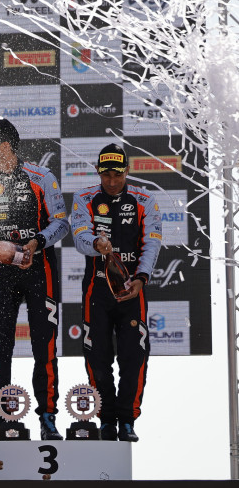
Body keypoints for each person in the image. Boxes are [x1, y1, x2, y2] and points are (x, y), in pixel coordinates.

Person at [0, 118, 70, 442]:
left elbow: (61, 223)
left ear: (6, 145)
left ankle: (48, 418)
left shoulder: (41, 177)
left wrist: (37, 241)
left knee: (44, 346)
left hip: (40, 268)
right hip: (4, 271)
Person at [70, 144, 162, 442]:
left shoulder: (144, 200)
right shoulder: (84, 198)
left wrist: (142, 278)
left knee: (134, 357)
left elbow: (152, 243)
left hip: (132, 289)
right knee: (97, 357)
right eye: (106, 175)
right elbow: (79, 236)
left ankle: (128, 419)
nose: (111, 181)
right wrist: (96, 243)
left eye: (118, 175)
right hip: (97, 289)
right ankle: (107, 419)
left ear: (127, 171)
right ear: (98, 171)